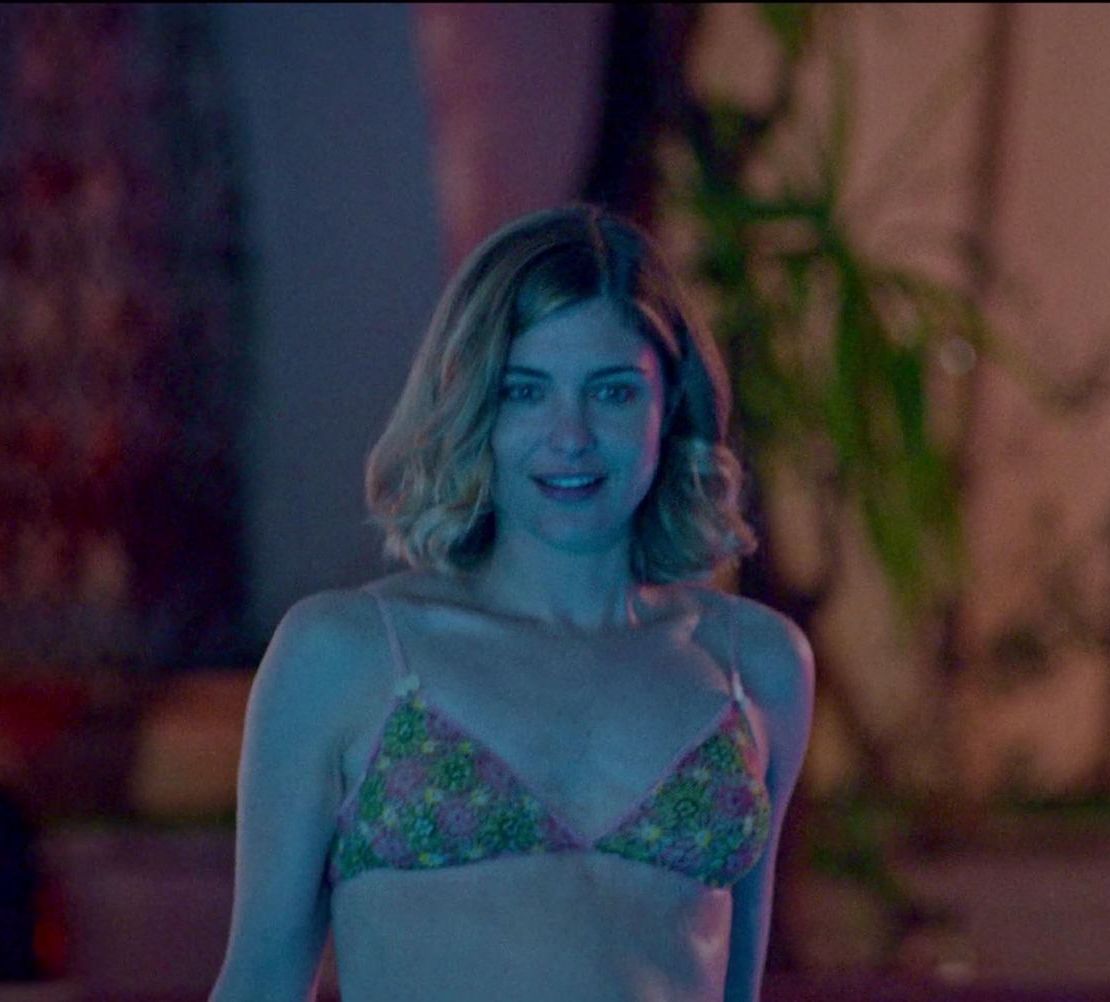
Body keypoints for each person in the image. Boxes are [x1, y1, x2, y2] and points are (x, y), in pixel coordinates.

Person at [210, 205, 814, 1002]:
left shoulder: (756, 662)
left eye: (612, 392)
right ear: (470, 406)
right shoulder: (348, 651)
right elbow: (259, 981)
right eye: (524, 391)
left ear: (670, 403)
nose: (571, 436)